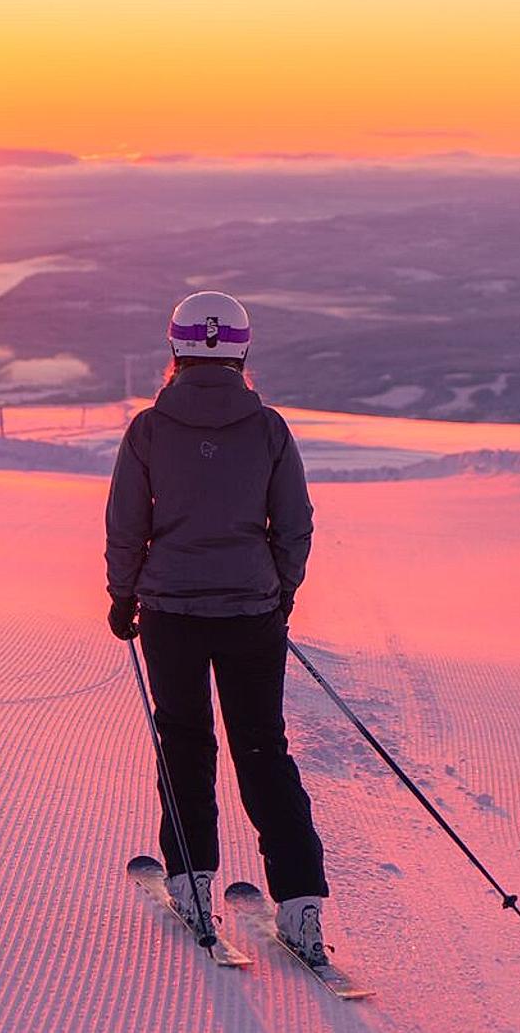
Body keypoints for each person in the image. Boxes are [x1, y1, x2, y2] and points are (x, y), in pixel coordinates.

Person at [105, 291, 329, 965]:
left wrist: (123, 596)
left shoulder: (148, 428)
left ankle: (193, 881)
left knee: (184, 743)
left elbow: (125, 525)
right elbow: (294, 525)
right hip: (250, 611)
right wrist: (280, 591)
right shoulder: (268, 428)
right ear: (241, 352)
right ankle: (301, 905)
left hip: (169, 611)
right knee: (263, 749)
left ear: (174, 349)